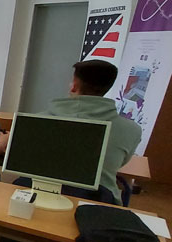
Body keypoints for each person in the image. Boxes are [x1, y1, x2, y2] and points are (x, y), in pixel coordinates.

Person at [46, 60, 141, 203]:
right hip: (98, 199)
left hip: (41, 191)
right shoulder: (132, 130)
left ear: (74, 86)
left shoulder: (38, 119)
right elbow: (120, 163)